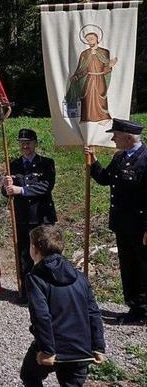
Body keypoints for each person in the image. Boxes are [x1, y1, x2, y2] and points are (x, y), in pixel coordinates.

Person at [20, 225, 105, 387]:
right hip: (81, 349)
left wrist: (47, 350)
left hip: (54, 348)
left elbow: (41, 316)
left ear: (34, 249)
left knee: (29, 376)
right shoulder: (80, 277)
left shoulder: (35, 279)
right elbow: (93, 313)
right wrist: (98, 346)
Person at [85, 118, 147, 323]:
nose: (112, 138)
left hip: (141, 227)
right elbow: (105, 178)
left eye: (116, 135)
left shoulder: (145, 159)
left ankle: (144, 310)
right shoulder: (120, 157)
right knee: (128, 266)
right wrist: (92, 161)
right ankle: (135, 308)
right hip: (122, 225)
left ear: (128, 137)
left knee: (142, 267)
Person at [3, 128, 57, 302]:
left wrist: (21, 190)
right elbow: (7, 193)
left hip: (41, 216)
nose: (25, 146)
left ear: (35, 143)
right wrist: (6, 187)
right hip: (22, 217)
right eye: (22, 143)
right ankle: (26, 292)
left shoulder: (46, 163)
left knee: (46, 255)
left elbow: (45, 186)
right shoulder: (13, 164)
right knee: (24, 256)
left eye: (28, 142)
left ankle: (48, 292)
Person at [64, 30, 116, 123]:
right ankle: (87, 118)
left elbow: (106, 67)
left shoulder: (104, 52)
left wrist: (110, 66)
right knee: (87, 99)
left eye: (91, 39)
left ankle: (104, 118)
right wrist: (76, 76)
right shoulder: (84, 53)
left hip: (100, 79)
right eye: (88, 40)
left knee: (101, 97)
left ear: (97, 39)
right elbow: (82, 69)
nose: (90, 42)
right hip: (88, 80)